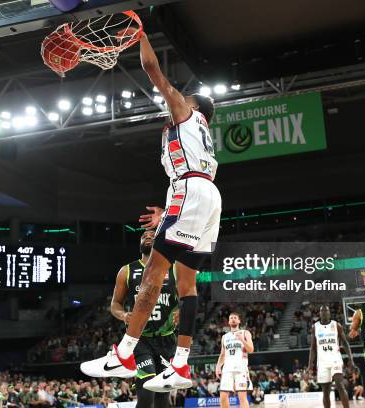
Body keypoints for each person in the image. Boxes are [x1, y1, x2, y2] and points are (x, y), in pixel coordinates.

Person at [81, 26, 221, 393]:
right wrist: (170, 208)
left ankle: (125, 353)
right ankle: (180, 365)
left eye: (185, 98)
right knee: (187, 284)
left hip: (191, 191)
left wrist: (139, 33)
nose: (179, 99)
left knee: (154, 273)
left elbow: (152, 70)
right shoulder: (201, 134)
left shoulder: (187, 115)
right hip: (205, 195)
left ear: (194, 106)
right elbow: (190, 179)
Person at [107, 230, 179, 408]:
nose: (148, 236)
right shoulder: (127, 270)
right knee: (146, 392)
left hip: (167, 338)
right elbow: (115, 303)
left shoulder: (174, 268)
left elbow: (188, 296)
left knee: (163, 397)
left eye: (153, 236)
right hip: (140, 339)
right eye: (144, 236)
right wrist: (123, 314)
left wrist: (181, 311)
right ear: (140, 243)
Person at [308, 305, 355, 408]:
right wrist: (309, 365)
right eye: (322, 311)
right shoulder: (315, 327)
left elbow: (345, 343)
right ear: (319, 313)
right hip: (322, 362)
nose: (324, 313)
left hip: (335, 359)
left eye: (326, 311)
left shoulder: (336, 325)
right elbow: (313, 348)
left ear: (329, 313)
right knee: (325, 391)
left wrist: (351, 359)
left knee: (339, 384)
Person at [216, 312, 253, 408]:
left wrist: (242, 340)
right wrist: (218, 367)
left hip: (241, 369)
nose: (233, 319)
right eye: (231, 318)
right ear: (228, 322)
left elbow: (251, 349)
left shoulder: (245, 333)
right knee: (223, 397)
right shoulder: (224, 337)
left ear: (239, 321)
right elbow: (222, 354)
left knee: (242, 397)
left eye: (235, 318)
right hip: (227, 369)